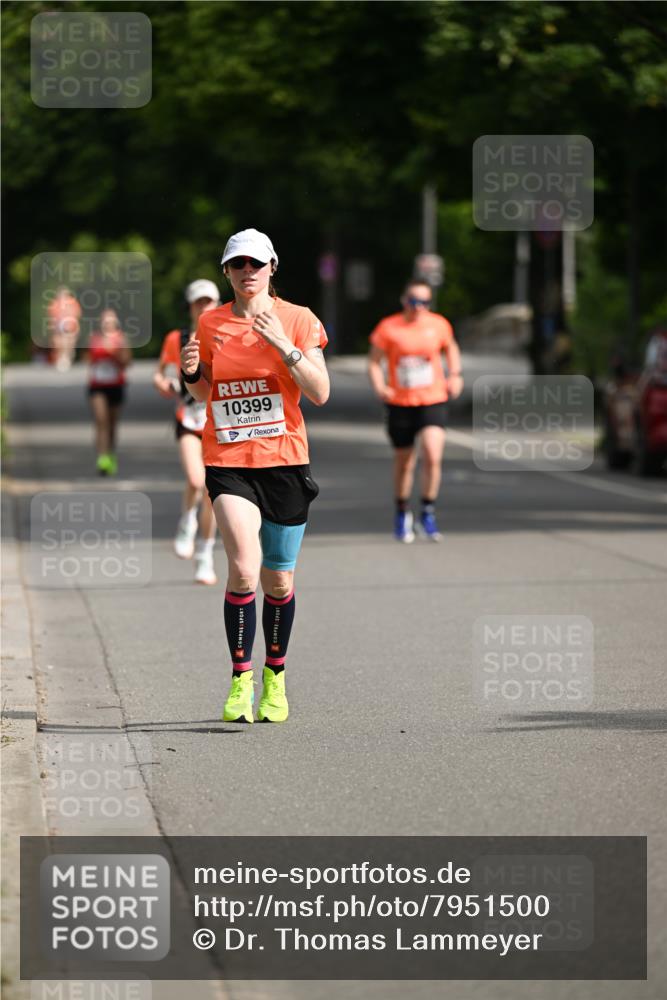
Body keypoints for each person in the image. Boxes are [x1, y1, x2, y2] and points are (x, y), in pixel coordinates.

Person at [180, 229, 329, 723]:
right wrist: (191, 373)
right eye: (238, 264)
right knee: (244, 567)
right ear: (227, 271)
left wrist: (283, 344)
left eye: (256, 264)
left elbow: (320, 391)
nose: (248, 272)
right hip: (228, 461)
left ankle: (275, 677)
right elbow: (205, 395)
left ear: (272, 268)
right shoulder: (211, 322)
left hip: (285, 461)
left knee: (279, 581)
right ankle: (240, 678)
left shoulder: (299, 320)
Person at [368, 279, 463, 542]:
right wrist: (380, 386)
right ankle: (402, 511)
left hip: (432, 398)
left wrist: (455, 375)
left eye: (424, 302)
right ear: (404, 300)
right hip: (400, 402)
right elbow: (374, 362)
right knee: (405, 461)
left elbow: (451, 347)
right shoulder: (388, 327)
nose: (418, 306)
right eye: (413, 300)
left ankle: (428, 512)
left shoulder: (439, 324)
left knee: (433, 455)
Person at [153, 279, 221, 586]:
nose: (204, 307)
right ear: (191, 306)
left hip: (222, 424)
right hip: (189, 419)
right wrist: (163, 383)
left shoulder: (228, 335)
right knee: (196, 479)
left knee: (212, 492)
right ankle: (186, 522)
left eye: (209, 301)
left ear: (218, 303)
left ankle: (205, 555)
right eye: (199, 302)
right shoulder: (177, 338)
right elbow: (163, 372)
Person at [85, 309, 131, 476]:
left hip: (116, 385)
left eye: (111, 321)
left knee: (111, 424)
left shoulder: (121, 339)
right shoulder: (94, 338)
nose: (107, 324)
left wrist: (114, 354)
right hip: (97, 385)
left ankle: (110, 453)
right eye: (105, 321)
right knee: (100, 420)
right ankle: (102, 457)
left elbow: (127, 362)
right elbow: (87, 358)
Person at [47, 285, 81, 372]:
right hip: (59, 327)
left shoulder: (72, 303)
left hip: (70, 326)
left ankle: (67, 357)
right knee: (59, 344)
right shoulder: (55, 304)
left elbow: (77, 314)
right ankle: (62, 358)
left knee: (68, 343)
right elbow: (52, 317)